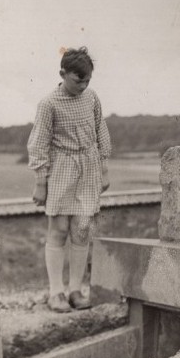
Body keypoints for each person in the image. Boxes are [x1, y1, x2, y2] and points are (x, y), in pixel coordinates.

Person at [27, 47, 111, 312]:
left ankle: (76, 290)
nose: (84, 85)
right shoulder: (48, 103)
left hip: (88, 168)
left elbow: (100, 130)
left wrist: (104, 167)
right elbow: (39, 143)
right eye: (78, 80)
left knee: (82, 229)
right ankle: (56, 293)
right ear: (62, 74)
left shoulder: (92, 98)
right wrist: (41, 181)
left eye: (87, 80)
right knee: (59, 229)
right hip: (61, 169)